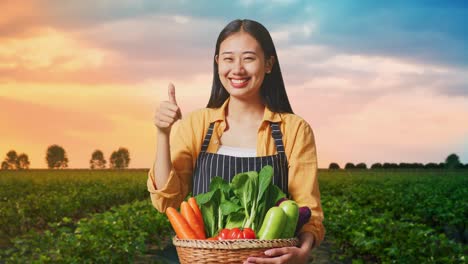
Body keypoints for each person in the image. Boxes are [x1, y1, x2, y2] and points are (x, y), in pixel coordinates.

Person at [148, 19, 325, 264]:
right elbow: (167, 201)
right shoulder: (197, 124)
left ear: (269, 64)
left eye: (249, 58)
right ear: (217, 62)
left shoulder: (294, 130)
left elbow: (309, 211)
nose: (237, 69)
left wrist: (302, 254)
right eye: (228, 58)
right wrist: (162, 133)